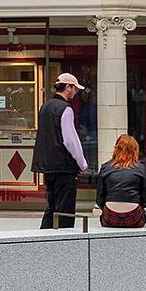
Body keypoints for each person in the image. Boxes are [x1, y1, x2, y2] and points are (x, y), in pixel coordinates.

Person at [32, 72, 89, 229]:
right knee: (65, 209)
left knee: (51, 206)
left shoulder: (45, 106)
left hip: (48, 165)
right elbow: (70, 140)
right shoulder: (66, 109)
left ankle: (44, 238)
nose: (76, 92)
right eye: (75, 88)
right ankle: (64, 241)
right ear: (68, 87)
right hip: (64, 166)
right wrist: (82, 163)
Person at [96, 135, 146, 228]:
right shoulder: (140, 168)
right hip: (134, 216)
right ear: (135, 150)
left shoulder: (105, 167)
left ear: (116, 149)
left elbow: (100, 197)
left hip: (110, 215)